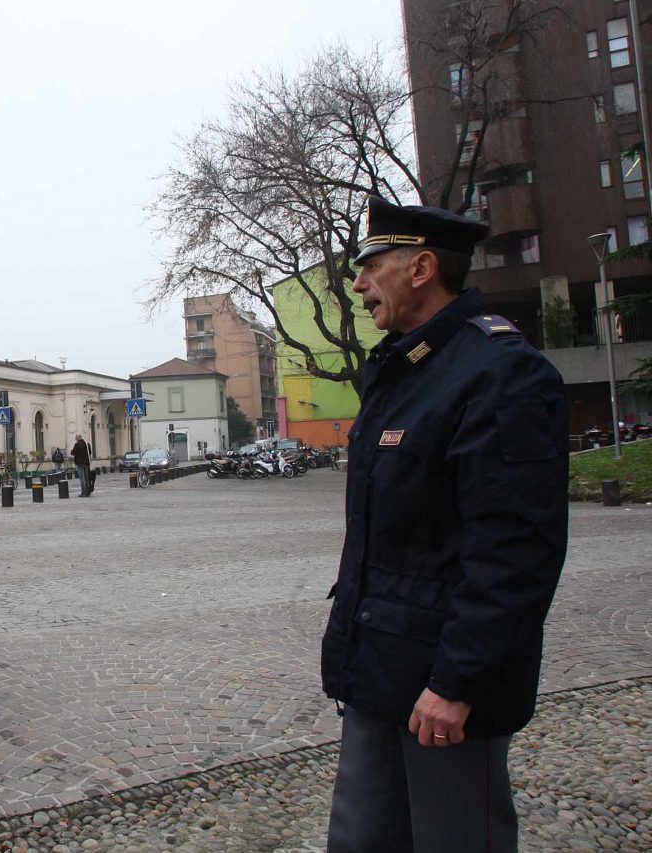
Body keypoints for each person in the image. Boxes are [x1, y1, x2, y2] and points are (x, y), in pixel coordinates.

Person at [321, 196, 568, 852]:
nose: (359, 280)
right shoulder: (407, 369)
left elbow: (514, 549)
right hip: (381, 670)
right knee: (362, 840)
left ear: (422, 267)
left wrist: (457, 682)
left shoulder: (499, 372)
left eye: (372, 263)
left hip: (444, 692)